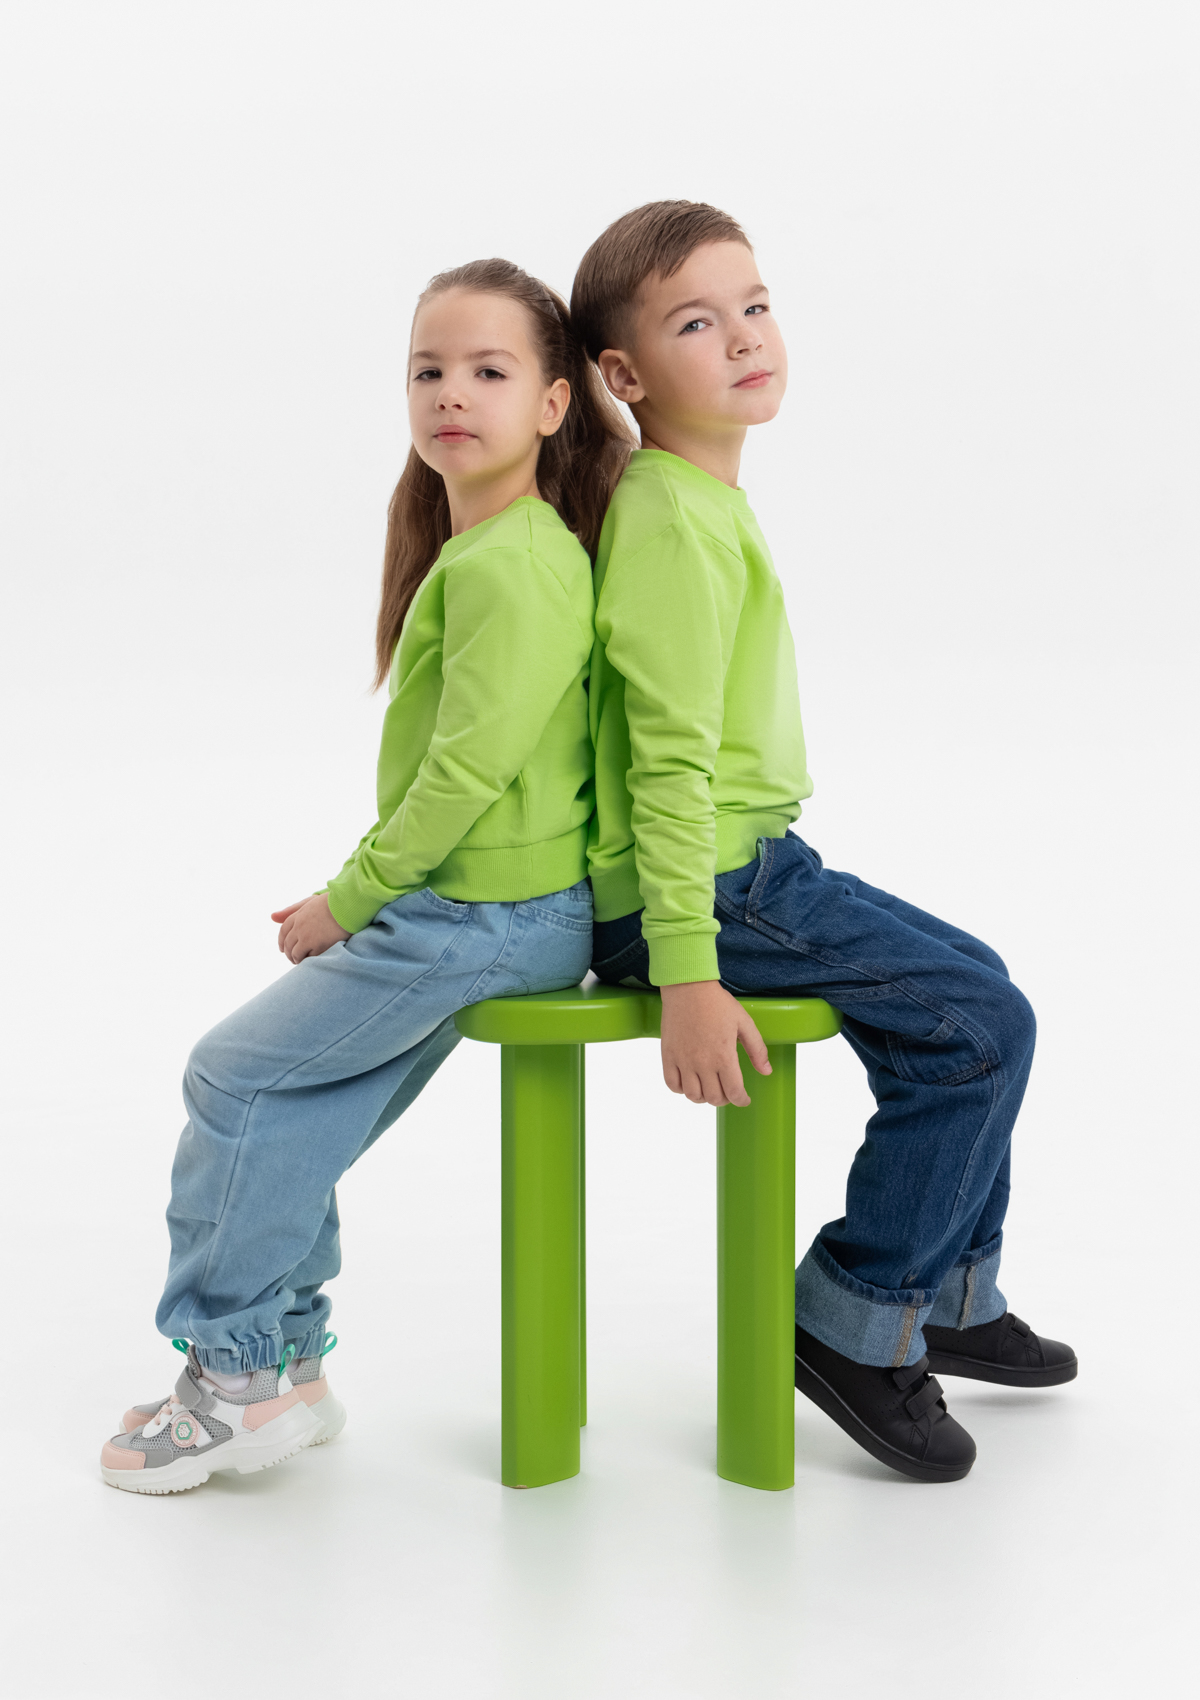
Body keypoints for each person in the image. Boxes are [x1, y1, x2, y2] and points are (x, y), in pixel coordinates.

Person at [100, 259, 633, 1494]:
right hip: (491, 907)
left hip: (486, 911)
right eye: (428, 369)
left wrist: (351, 896)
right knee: (297, 1104)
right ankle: (285, 1366)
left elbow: (465, 773)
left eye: (489, 370)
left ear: (554, 403)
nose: (452, 392)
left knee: (231, 1075)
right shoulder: (491, 548)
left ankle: (234, 1379)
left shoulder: (517, 563)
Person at [571, 201, 1076, 1484]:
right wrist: (684, 970)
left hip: (753, 862)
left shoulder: (698, 498)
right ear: (625, 375)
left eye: (755, 305)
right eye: (699, 322)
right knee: (981, 1027)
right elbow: (664, 768)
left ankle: (948, 1295)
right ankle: (853, 1317)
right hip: (701, 886)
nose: (746, 336)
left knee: (977, 982)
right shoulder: (670, 524)